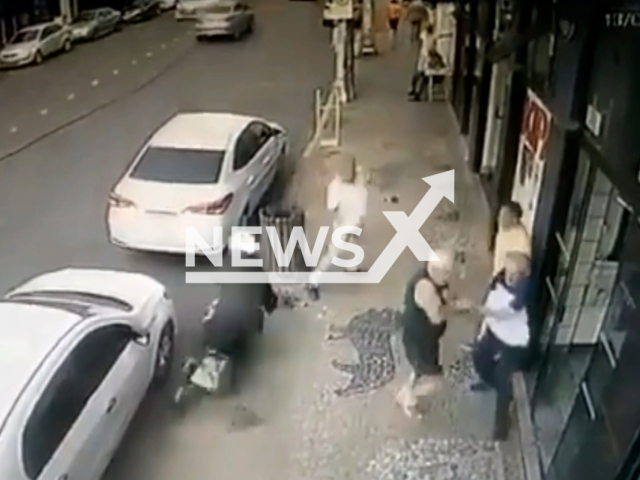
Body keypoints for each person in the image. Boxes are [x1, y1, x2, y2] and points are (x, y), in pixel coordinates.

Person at [395, 250, 470, 418]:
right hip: (420, 340)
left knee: (418, 369)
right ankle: (409, 396)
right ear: (436, 269)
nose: (450, 276)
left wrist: (452, 299)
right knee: (436, 382)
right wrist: (458, 308)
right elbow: (437, 317)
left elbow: (446, 294)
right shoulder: (425, 289)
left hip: (425, 338)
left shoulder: (434, 277)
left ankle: (407, 392)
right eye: (447, 272)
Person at [202, 233, 278, 386]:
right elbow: (270, 301)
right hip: (245, 325)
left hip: (217, 326)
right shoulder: (259, 272)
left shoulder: (226, 266)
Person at [469, 252, 531, 440]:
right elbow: (491, 300)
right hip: (494, 331)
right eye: (508, 272)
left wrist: (478, 309)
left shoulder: (524, 291)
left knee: (504, 379)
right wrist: (482, 330)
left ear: (524, 274)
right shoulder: (500, 278)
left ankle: (501, 427)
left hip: (512, 340)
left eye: (516, 274)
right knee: (479, 357)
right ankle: (490, 381)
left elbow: (504, 312)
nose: (510, 277)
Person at [460, 201, 531, 352]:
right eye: (500, 215)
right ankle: (479, 341)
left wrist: (505, 282)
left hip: (505, 285)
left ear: (515, 219)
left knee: (491, 312)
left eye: (505, 216)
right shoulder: (504, 229)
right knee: (487, 311)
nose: (500, 219)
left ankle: (482, 345)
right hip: (497, 278)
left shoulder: (521, 240)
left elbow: (520, 267)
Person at [307, 154, 368, 300]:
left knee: (340, 249)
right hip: (351, 223)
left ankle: (351, 268)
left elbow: (331, 207)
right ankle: (312, 281)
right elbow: (361, 209)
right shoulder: (359, 185)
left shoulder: (336, 184)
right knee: (334, 252)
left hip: (345, 223)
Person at [408, 22, 445, 101]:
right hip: (424, 57)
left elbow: (438, 38)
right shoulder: (425, 35)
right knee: (418, 75)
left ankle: (417, 93)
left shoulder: (430, 36)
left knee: (422, 76)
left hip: (426, 58)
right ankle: (414, 89)